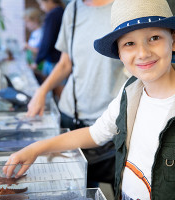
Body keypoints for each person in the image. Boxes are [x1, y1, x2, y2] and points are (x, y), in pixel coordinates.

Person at [4, 0, 175, 199]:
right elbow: (94, 134)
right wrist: (36, 148)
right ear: (120, 54)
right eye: (129, 44)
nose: (143, 53)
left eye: (154, 37)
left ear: (174, 41)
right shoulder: (129, 93)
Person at [26, 0, 127, 188]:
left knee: (121, 188)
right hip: (71, 117)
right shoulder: (73, 9)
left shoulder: (128, 5)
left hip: (112, 123)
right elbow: (66, 63)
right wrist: (41, 91)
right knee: (74, 189)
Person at [33, 0, 64, 77]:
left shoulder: (53, 15)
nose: (41, 7)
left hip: (55, 60)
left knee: (54, 87)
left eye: (41, 4)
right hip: (59, 57)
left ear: (50, 1)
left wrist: (37, 61)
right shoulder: (62, 11)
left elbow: (47, 40)